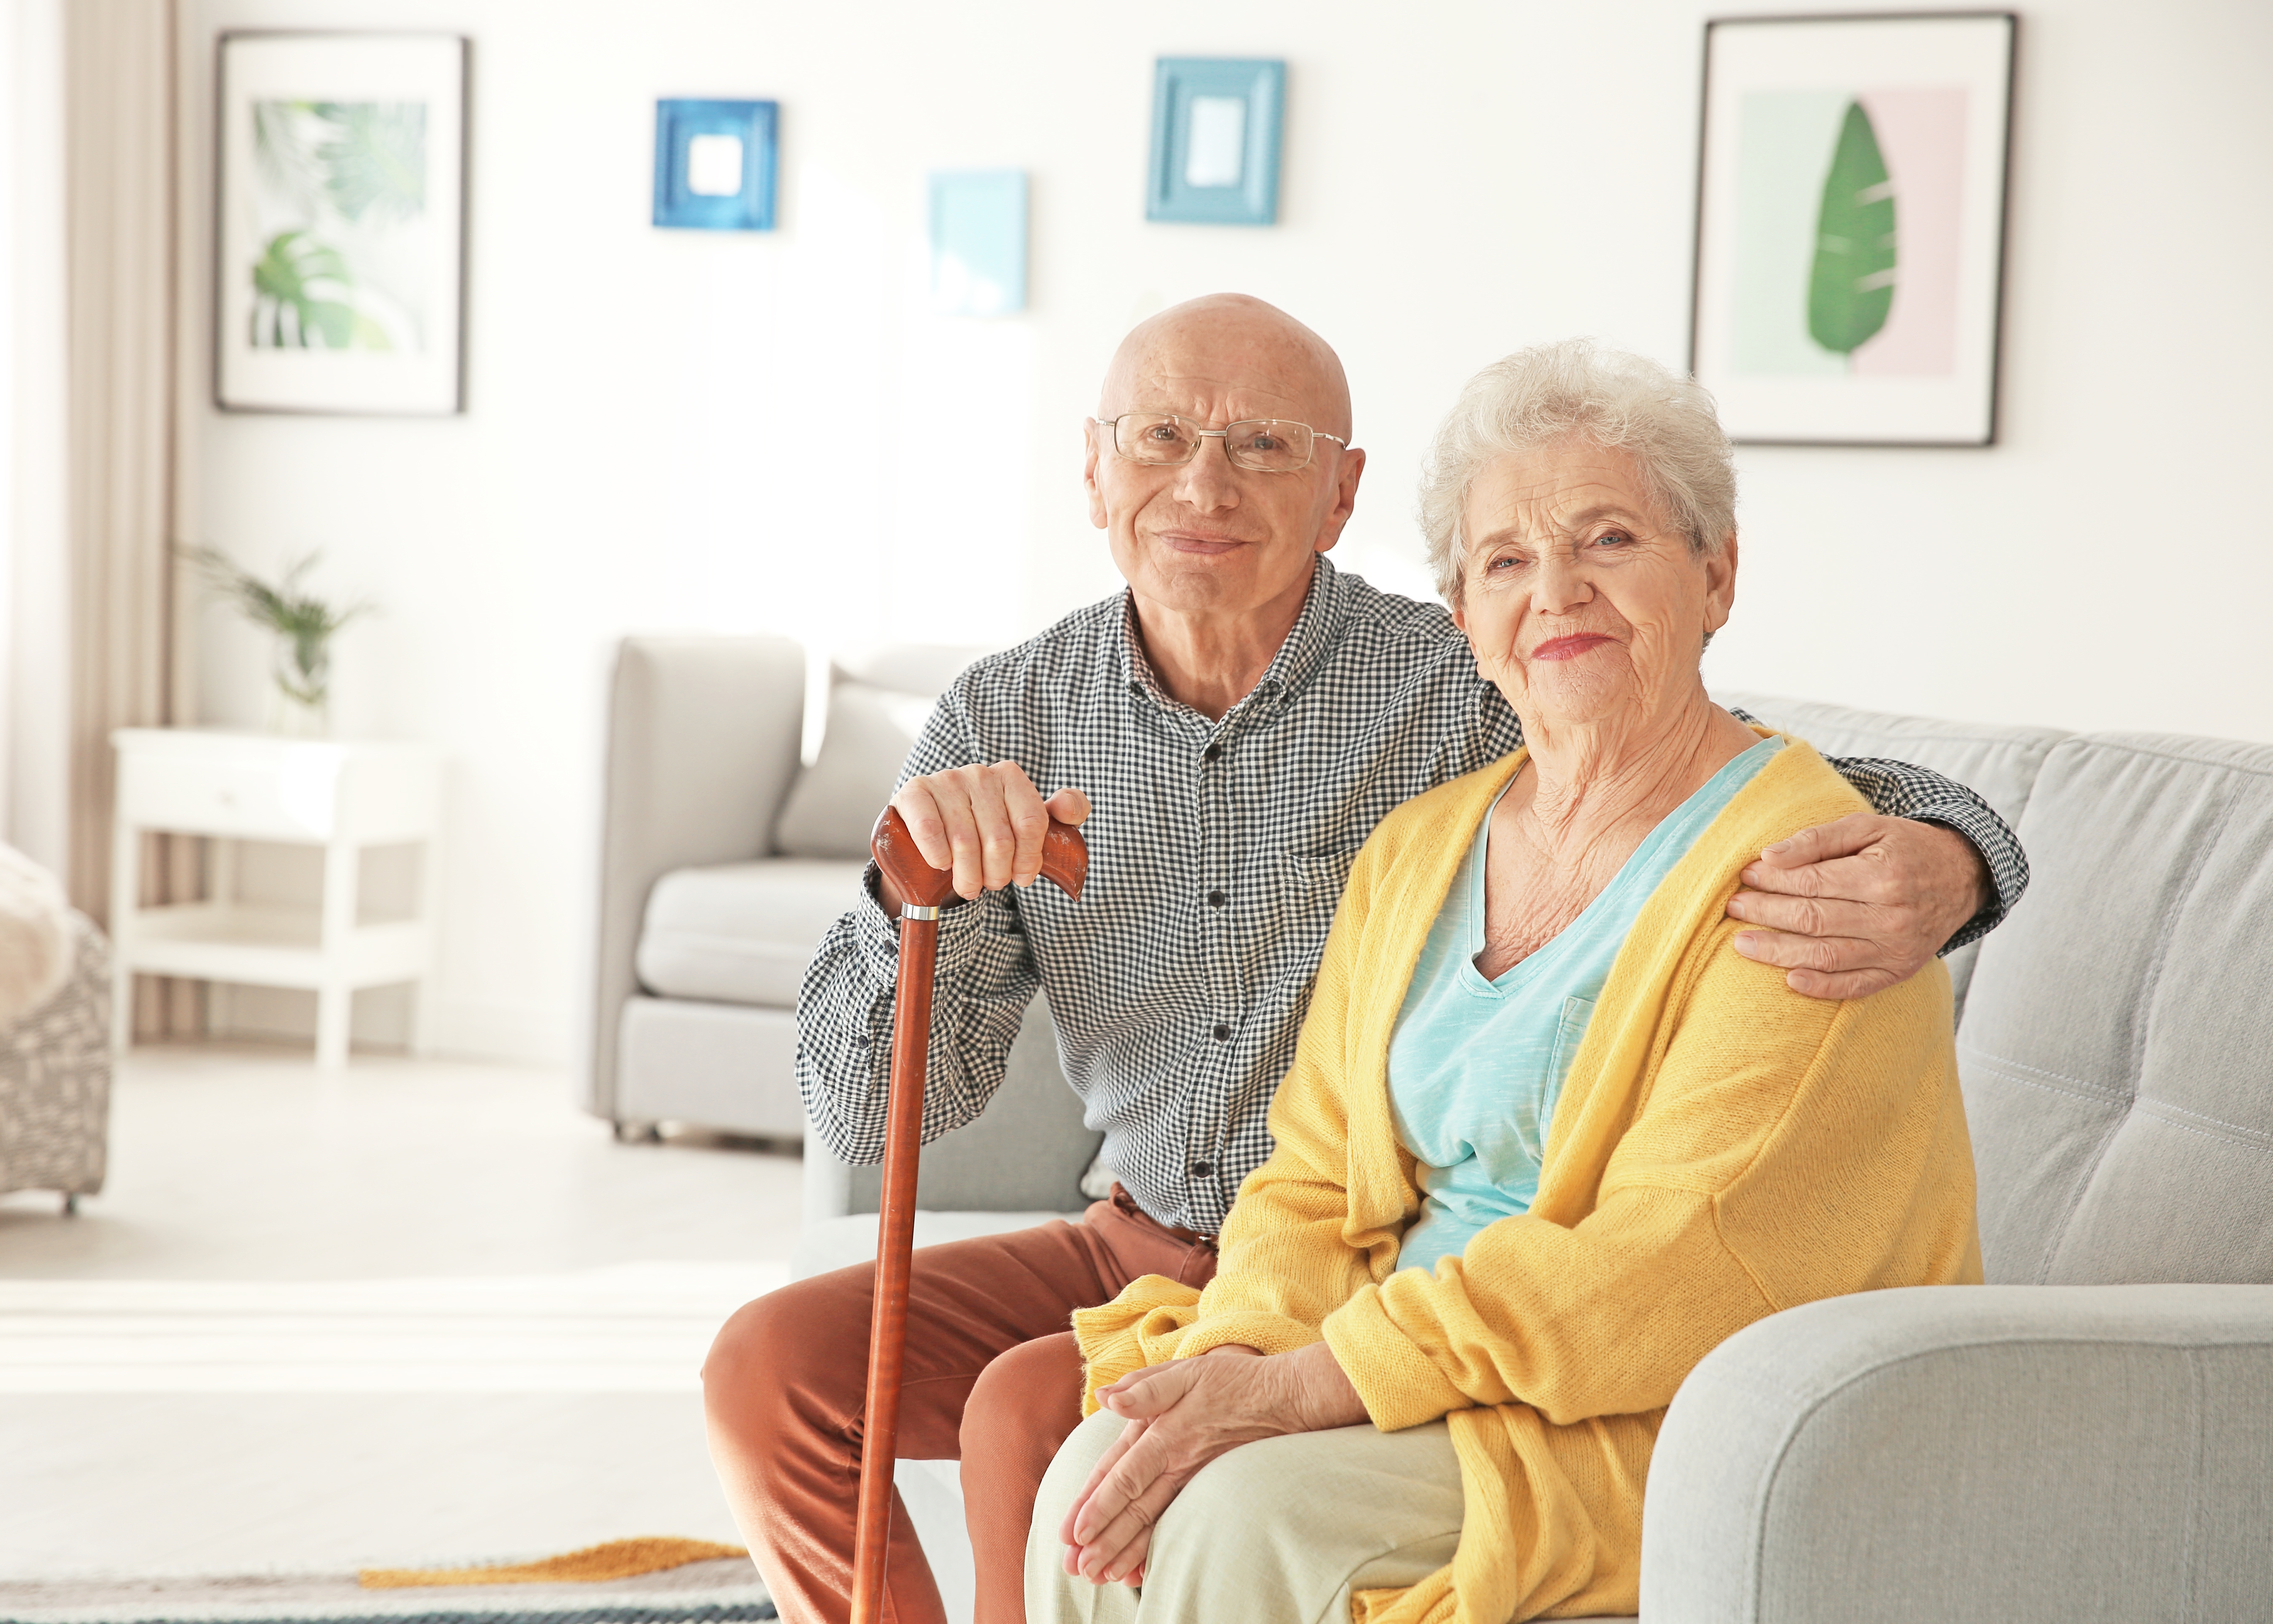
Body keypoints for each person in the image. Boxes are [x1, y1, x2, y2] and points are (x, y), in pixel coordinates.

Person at [702, 298, 2021, 1624]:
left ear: (1342, 495)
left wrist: (1958, 853)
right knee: (773, 1372)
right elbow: (878, 1114)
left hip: (1389, 1257)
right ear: (1094, 471)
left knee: (1041, 1419)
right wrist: (907, 899)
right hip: (1165, 1234)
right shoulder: (1009, 715)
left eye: (1264, 446)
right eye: (1160, 437)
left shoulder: (1455, 671)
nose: (1203, 484)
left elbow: (1693, 771)